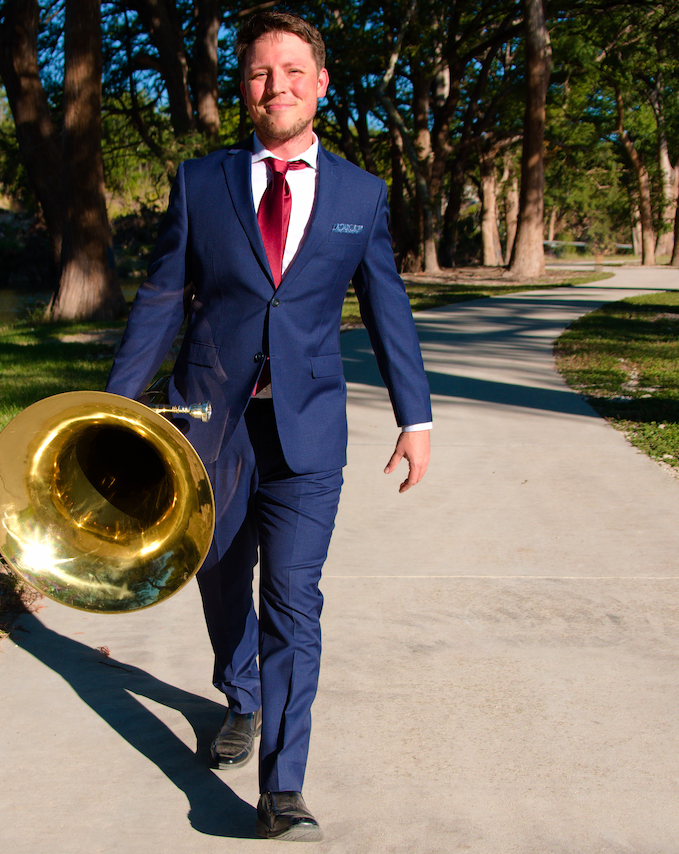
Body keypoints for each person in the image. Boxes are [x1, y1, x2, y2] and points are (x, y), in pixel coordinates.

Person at [104, 10, 431, 842]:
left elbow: (387, 307)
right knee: (218, 572)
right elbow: (159, 299)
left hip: (308, 430)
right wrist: (115, 406)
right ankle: (240, 696)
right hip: (208, 423)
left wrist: (415, 415)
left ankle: (283, 789)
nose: (275, 85)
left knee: (292, 596)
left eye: (292, 71)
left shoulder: (361, 194)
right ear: (242, 89)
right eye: (258, 72)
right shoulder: (199, 183)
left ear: (321, 84)